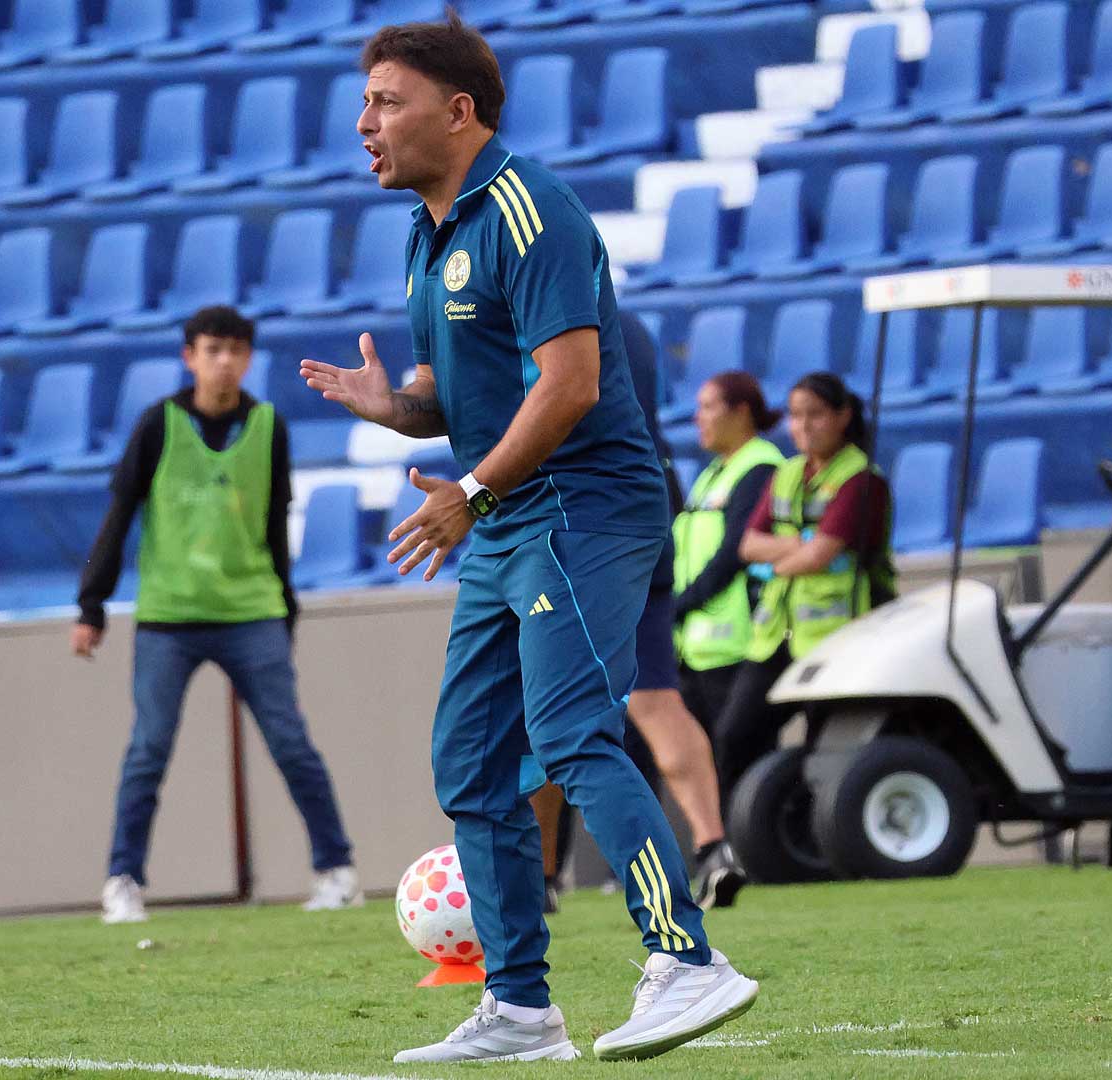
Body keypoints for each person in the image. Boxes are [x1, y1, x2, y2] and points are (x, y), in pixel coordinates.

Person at [296, 15, 756, 1064]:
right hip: (510, 515)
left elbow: (573, 384)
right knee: (468, 759)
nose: (363, 122)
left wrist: (465, 486)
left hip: (585, 502)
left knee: (568, 734)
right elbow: (454, 394)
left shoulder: (527, 206)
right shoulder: (428, 229)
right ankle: (519, 1009)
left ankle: (687, 961)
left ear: (459, 113)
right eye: (364, 101)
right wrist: (395, 407)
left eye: (385, 101)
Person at [73, 306, 359, 924]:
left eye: (234, 350)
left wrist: (286, 608)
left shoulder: (268, 426)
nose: (223, 360)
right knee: (148, 749)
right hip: (169, 616)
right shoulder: (158, 424)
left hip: (251, 610)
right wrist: (91, 603)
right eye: (211, 349)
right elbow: (119, 516)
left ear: (248, 358)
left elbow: (275, 525)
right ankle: (123, 880)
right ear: (189, 356)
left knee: (291, 742)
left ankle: (336, 869)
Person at [537, 314, 751, 914]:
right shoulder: (628, 325)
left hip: (578, 519)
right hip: (649, 504)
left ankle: (543, 873)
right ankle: (713, 847)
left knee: (547, 704)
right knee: (657, 700)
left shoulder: (544, 315)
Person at [712, 373, 894, 804]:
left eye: (815, 415)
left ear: (843, 417)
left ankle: (820, 846)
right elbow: (748, 545)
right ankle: (745, 840)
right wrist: (798, 545)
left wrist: (780, 565)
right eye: (796, 416)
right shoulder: (787, 473)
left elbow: (822, 555)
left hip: (839, 635)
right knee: (735, 735)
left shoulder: (862, 479)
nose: (804, 426)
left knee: (825, 749)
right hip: (777, 633)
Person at [673, 373, 784, 735]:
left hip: (736, 644)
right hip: (697, 647)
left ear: (741, 412)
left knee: (735, 761)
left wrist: (681, 603)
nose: (698, 418)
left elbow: (732, 554)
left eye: (708, 407)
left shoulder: (760, 467)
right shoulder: (712, 474)